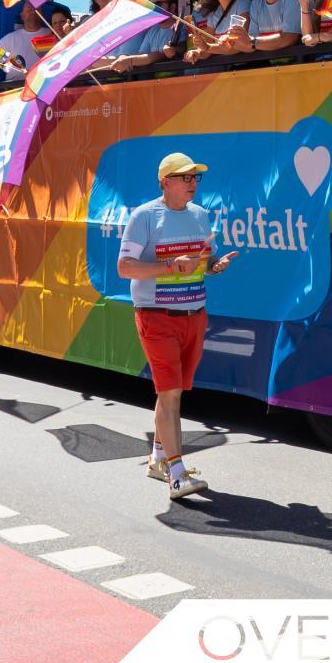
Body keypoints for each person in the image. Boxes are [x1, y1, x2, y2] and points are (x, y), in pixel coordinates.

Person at [116, 151, 237, 500]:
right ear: (165, 182)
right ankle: (178, 474)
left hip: (194, 316)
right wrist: (170, 267)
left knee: (171, 393)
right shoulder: (144, 216)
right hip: (157, 317)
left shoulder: (200, 216)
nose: (192, 183)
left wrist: (213, 266)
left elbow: (199, 262)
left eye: (195, 177)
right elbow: (125, 267)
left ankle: (157, 459)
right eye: (185, 177)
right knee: (169, 394)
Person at [181, 0, 255, 65]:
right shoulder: (216, 12)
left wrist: (207, 47)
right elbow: (208, 49)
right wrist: (197, 52)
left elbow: (236, 46)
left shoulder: (242, 3)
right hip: (231, 70)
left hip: (251, 67)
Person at [108, 0, 189, 73]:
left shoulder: (183, 26)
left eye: (158, 4)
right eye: (153, 5)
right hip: (154, 82)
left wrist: (174, 50)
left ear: (172, 7)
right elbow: (141, 54)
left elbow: (182, 49)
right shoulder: (153, 30)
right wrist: (125, 57)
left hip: (177, 80)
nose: (154, 8)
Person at [0, 2, 49, 79]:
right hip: (16, 88)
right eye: (29, 7)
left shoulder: (52, 34)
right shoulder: (10, 40)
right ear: (22, 15)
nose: (33, 9)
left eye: (37, 7)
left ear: (42, 14)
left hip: (45, 87)